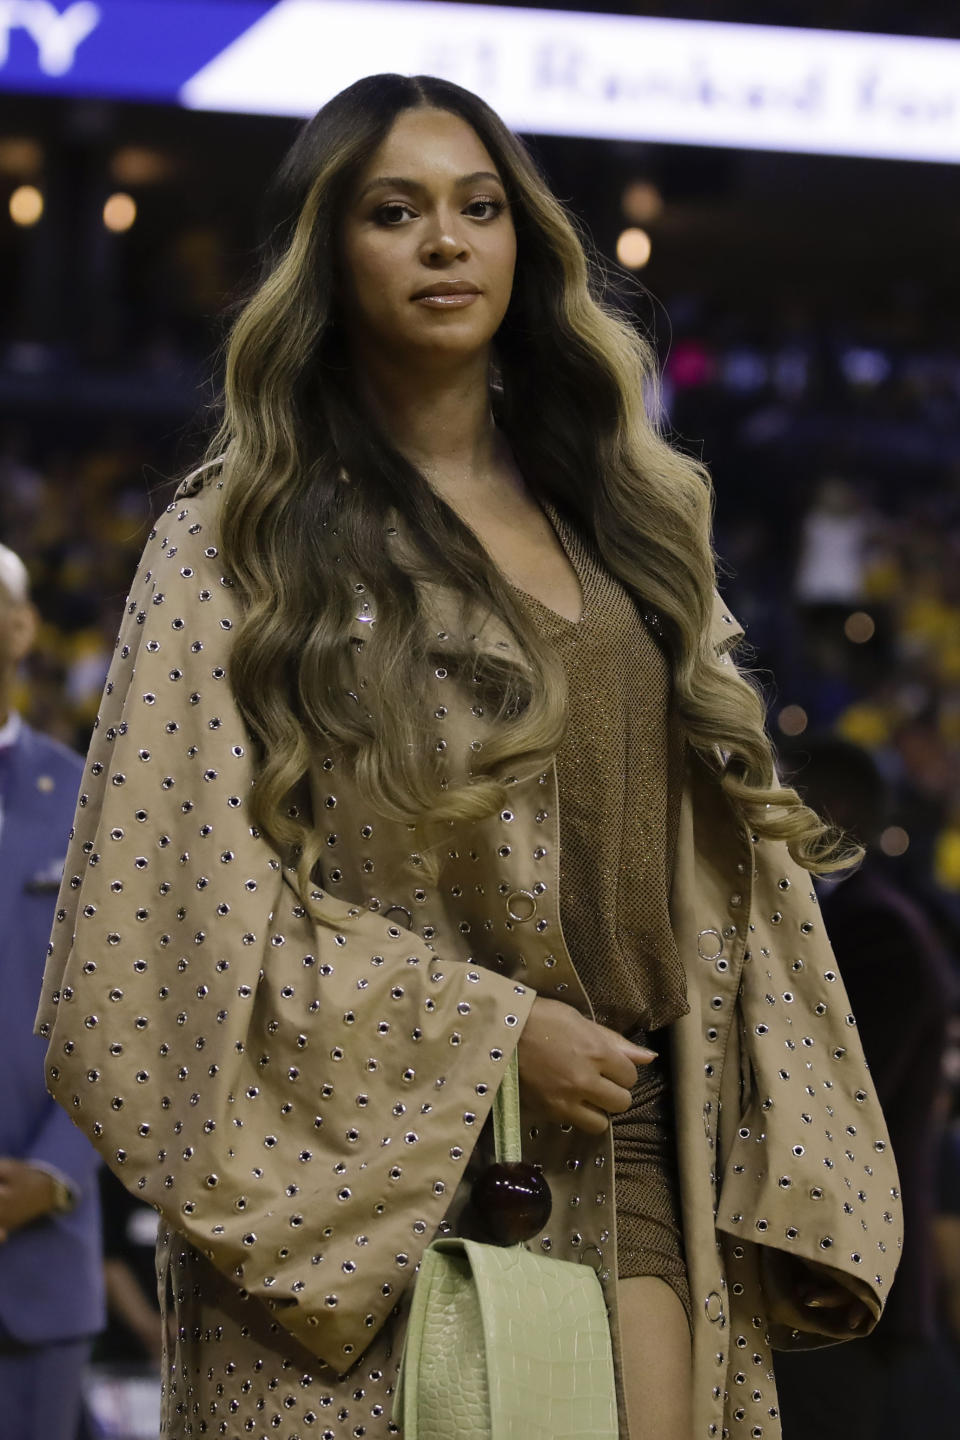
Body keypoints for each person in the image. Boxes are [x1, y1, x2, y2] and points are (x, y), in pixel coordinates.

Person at [36, 74, 901, 1440]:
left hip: (632, 1169)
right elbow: (153, 948)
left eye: (479, 207)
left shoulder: (630, 523)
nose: (447, 241)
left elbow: (727, 887)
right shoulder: (230, 544)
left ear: (524, 241)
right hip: (354, 1217)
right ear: (329, 256)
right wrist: (491, 1039)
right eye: (396, 212)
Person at [774, 737, 958, 1440]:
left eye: (781, 787)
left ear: (831, 809)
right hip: (823, 1268)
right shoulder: (852, 918)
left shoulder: (878, 929)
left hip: (844, 1271)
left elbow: (847, 1102)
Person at [0, 542, 105, 1438]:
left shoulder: (86, 798)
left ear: (25, 623)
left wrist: (53, 1171)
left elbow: (127, 1011)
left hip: (41, 1249)